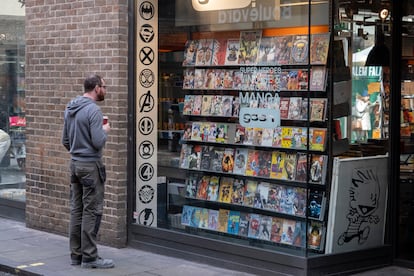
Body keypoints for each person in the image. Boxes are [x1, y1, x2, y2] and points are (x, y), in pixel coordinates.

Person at [62, 74, 114, 269]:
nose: (105, 90)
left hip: (75, 164)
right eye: (104, 86)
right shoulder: (93, 110)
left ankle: (76, 255)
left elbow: (65, 140)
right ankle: (90, 257)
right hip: (90, 166)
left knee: (77, 210)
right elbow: (98, 141)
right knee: (91, 211)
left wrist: (77, 152)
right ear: (96, 88)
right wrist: (105, 130)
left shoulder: (70, 107)